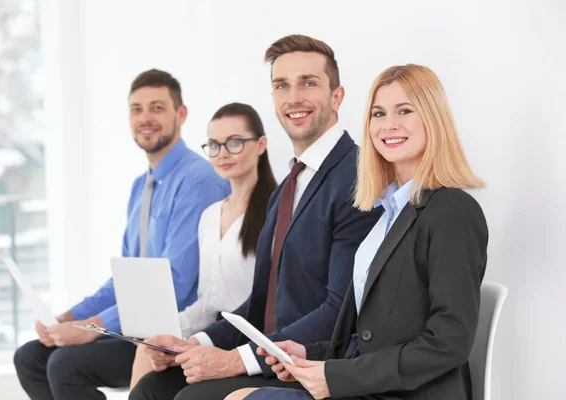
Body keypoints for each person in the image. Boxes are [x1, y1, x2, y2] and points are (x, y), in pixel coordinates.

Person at [129, 34, 382, 400]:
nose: (293, 97)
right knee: (152, 389)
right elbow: (260, 301)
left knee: (189, 398)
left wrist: (235, 360)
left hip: (313, 365)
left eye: (308, 83)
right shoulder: (287, 187)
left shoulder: (358, 178)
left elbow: (340, 310)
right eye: (282, 86)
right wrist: (193, 342)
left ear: (337, 96)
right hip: (270, 355)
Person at [227, 64, 488, 400]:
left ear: (432, 119)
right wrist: (312, 352)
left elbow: (449, 342)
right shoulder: (388, 212)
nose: (388, 124)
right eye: (378, 113)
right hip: (368, 386)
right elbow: (371, 333)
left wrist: (335, 376)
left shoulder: (452, 211)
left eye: (404, 110)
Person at [13, 69, 230, 400]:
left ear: (181, 114)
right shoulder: (140, 187)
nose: (145, 118)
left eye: (157, 107)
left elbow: (175, 284)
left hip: (175, 332)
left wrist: (91, 329)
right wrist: (70, 318)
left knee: (65, 365)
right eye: (136, 109)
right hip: (135, 324)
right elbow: (125, 279)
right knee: (29, 358)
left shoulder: (198, 181)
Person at [129, 102, 278, 388]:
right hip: (211, 334)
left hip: (248, 344)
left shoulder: (276, 212)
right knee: (146, 351)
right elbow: (208, 304)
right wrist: (164, 332)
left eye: (234, 143)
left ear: (261, 145)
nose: (223, 153)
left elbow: (267, 304)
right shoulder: (210, 216)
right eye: (214, 144)